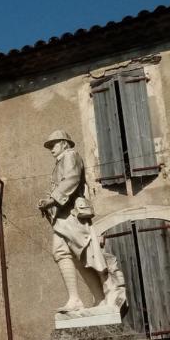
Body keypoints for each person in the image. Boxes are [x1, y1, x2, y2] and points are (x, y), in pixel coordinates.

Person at [38, 130, 125, 313]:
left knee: (86, 253)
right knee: (66, 253)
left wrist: (52, 200)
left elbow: (72, 179)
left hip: (72, 215)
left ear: (64, 143)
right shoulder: (59, 163)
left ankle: (103, 293)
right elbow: (60, 186)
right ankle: (80, 298)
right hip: (63, 216)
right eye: (50, 145)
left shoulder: (71, 155)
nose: (51, 148)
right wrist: (47, 201)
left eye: (54, 144)